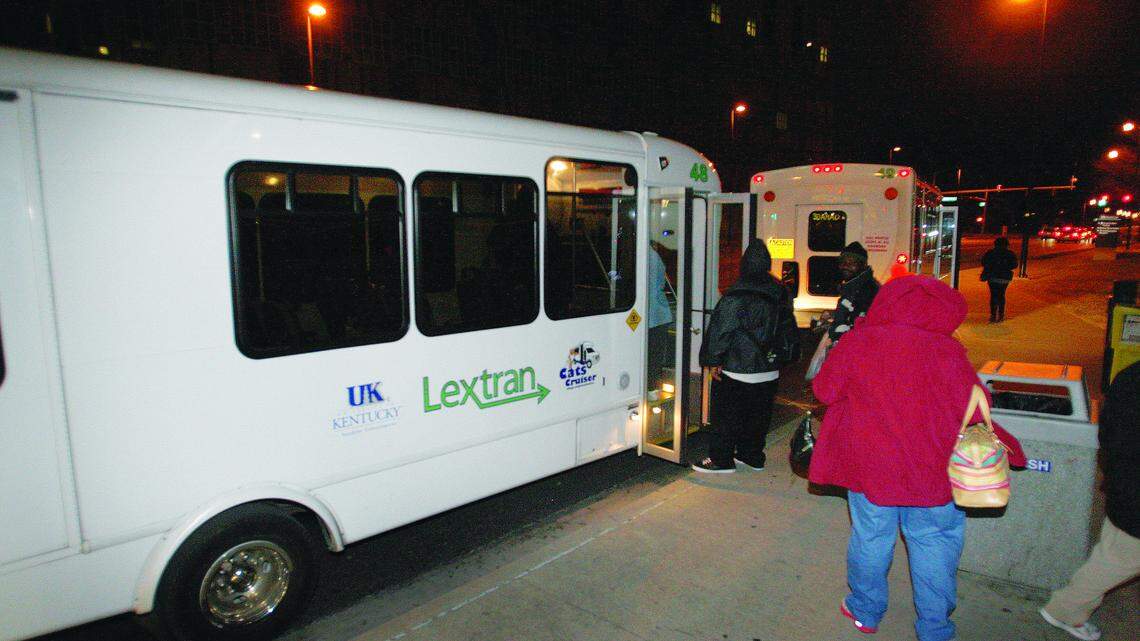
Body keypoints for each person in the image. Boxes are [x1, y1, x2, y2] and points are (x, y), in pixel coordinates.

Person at [809, 275, 1027, 641]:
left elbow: (824, 390)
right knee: (934, 542)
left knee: (871, 537)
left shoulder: (860, 341)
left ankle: (865, 611)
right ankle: (935, 628)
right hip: (933, 471)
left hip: (871, 467)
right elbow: (978, 408)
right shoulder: (948, 351)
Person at [1039, 360, 1140, 641]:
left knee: (1113, 554)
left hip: (1124, 486)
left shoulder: (1130, 375)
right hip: (1132, 492)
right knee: (1118, 558)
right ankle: (1065, 608)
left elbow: (1110, 434)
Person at [693, 242, 798, 473]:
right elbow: (786, 327)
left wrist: (712, 360)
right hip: (769, 367)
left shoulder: (737, 293)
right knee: (758, 416)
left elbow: (722, 330)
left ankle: (721, 460)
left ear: (744, 265)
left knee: (727, 417)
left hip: (737, 368)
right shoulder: (780, 292)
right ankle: (752, 456)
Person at [827, 241, 880, 344]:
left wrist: (838, 334)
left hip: (854, 347)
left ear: (863, 265)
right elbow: (847, 313)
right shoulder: (852, 286)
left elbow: (860, 321)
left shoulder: (868, 289)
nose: (846, 266)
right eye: (843, 262)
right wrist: (831, 315)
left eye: (852, 263)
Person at [647, 241, 674, 391]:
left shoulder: (646, 256)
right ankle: (653, 388)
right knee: (655, 357)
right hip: (660, 313)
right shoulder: (655, 256)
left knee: (651, 356)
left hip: (653, 314)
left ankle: (651, 388)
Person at [980, 237, 1018, 322]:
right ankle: (1001, 315)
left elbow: (983, 262)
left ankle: (993, 315)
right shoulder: (1010, 254)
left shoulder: (990, 253)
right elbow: (1014, 265)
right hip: (1004, 277)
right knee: (1001, 295)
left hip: (992, 276)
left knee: (993, 295)